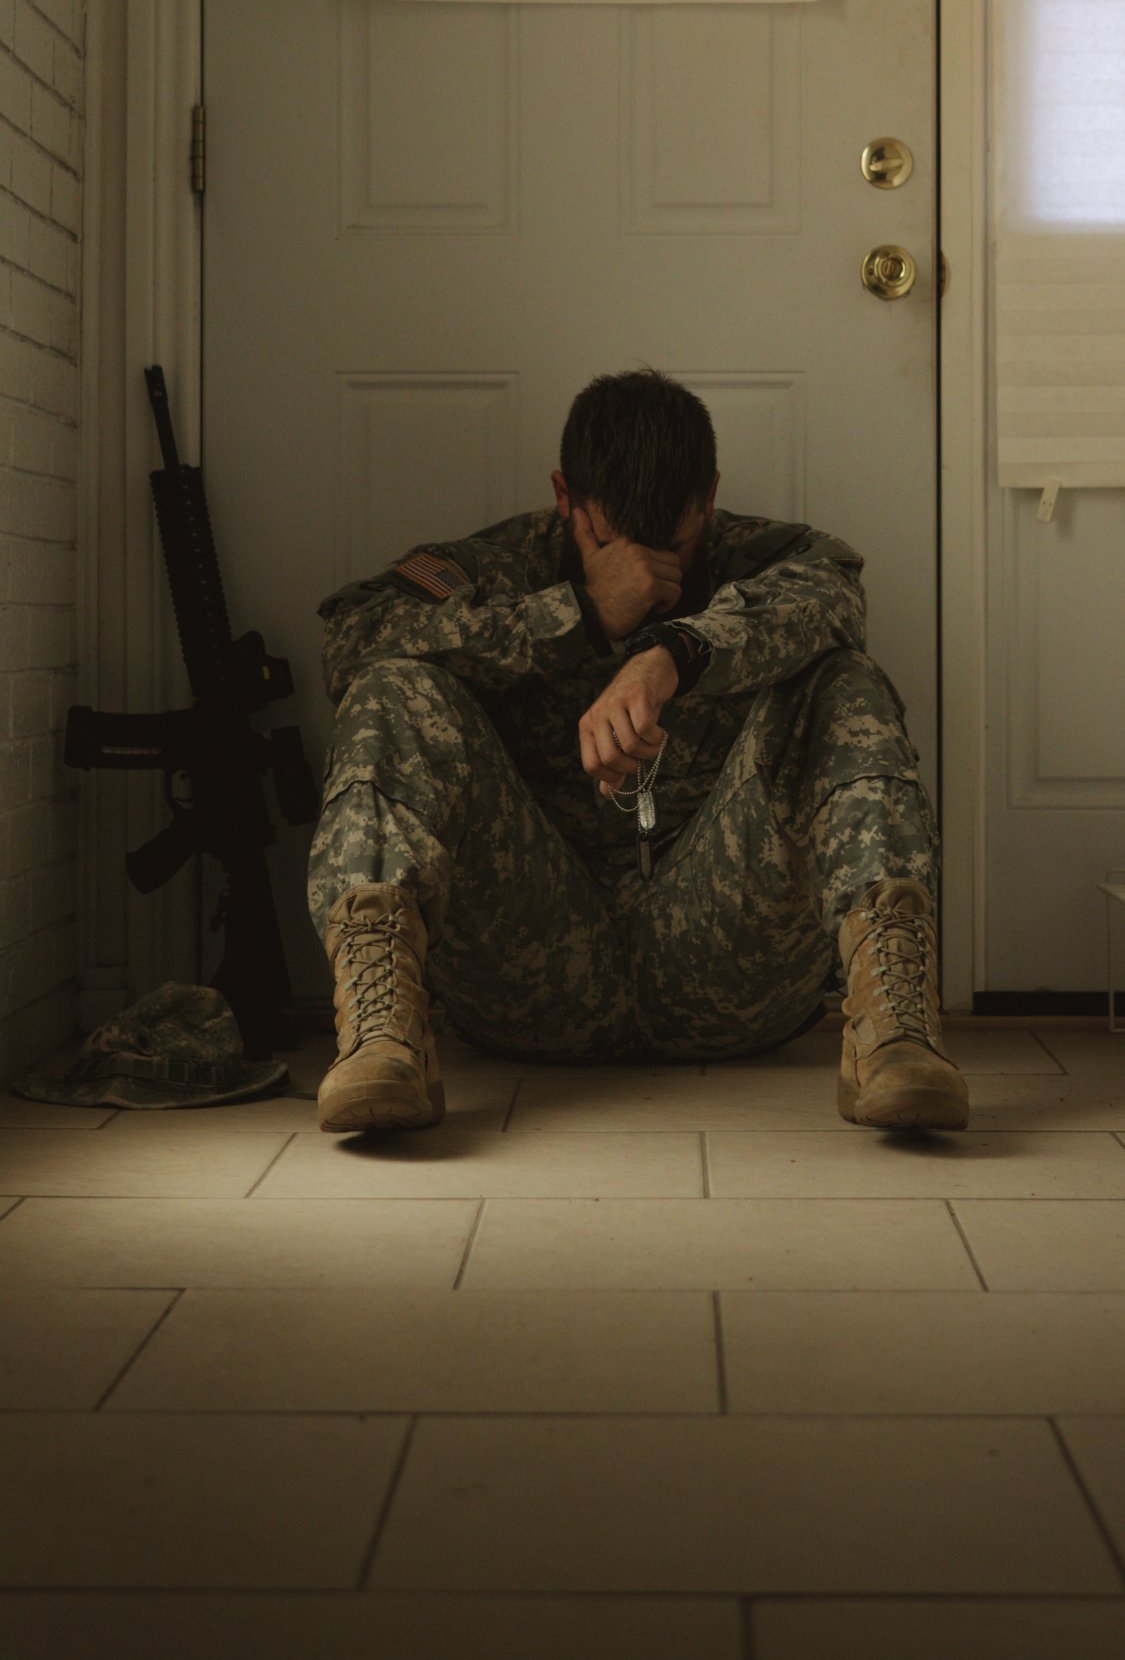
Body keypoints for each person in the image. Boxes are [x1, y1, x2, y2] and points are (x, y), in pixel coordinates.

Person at [308, 369, 969, 1136]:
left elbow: (832, 601)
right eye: (614, 541)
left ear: (708, 497)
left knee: (842, 678)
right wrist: (580, 613)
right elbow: (350, 639)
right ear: (565, 496)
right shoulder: (499, 566)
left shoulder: (770, 557)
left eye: (675, 546)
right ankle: (383, 1040)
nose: (654, 573)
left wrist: (672, 653)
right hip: (529, 960)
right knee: (391, 686)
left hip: (729, 958)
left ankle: (895, 1037)